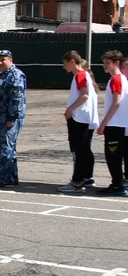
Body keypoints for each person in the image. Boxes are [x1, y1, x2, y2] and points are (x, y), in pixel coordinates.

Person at [59, 50, 98, 193]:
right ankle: (87, 178)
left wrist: (70, 109)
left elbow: (85, 95)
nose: (64, 67)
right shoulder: (86, 75)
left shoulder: (80, 75)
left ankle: (77, 181)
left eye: (65, 64)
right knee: (85, 149)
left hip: (79, 118)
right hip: (86, 118)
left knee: (78, 151)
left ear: (72, 62)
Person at [0, 50, 27, 189]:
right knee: (6, 147)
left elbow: (17, 99)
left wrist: (11, 118)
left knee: (5, 148)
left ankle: (5, 178)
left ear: (10, 60)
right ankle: (10, 177)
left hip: (8, 117)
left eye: (2, 60)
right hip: (1, 117)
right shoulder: (3, 75)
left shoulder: (14, 75)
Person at [95, 51, 128, 196]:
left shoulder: (116, 79)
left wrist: (104, 123)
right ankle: (118, 183)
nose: (104, 66)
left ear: (117, 63)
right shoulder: (123, 79)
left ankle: (118, 186)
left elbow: (116, 103)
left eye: (108, 63)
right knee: (117, 156)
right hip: (120, 124)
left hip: (115, 125)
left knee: (113, 157)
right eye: (104, 63)